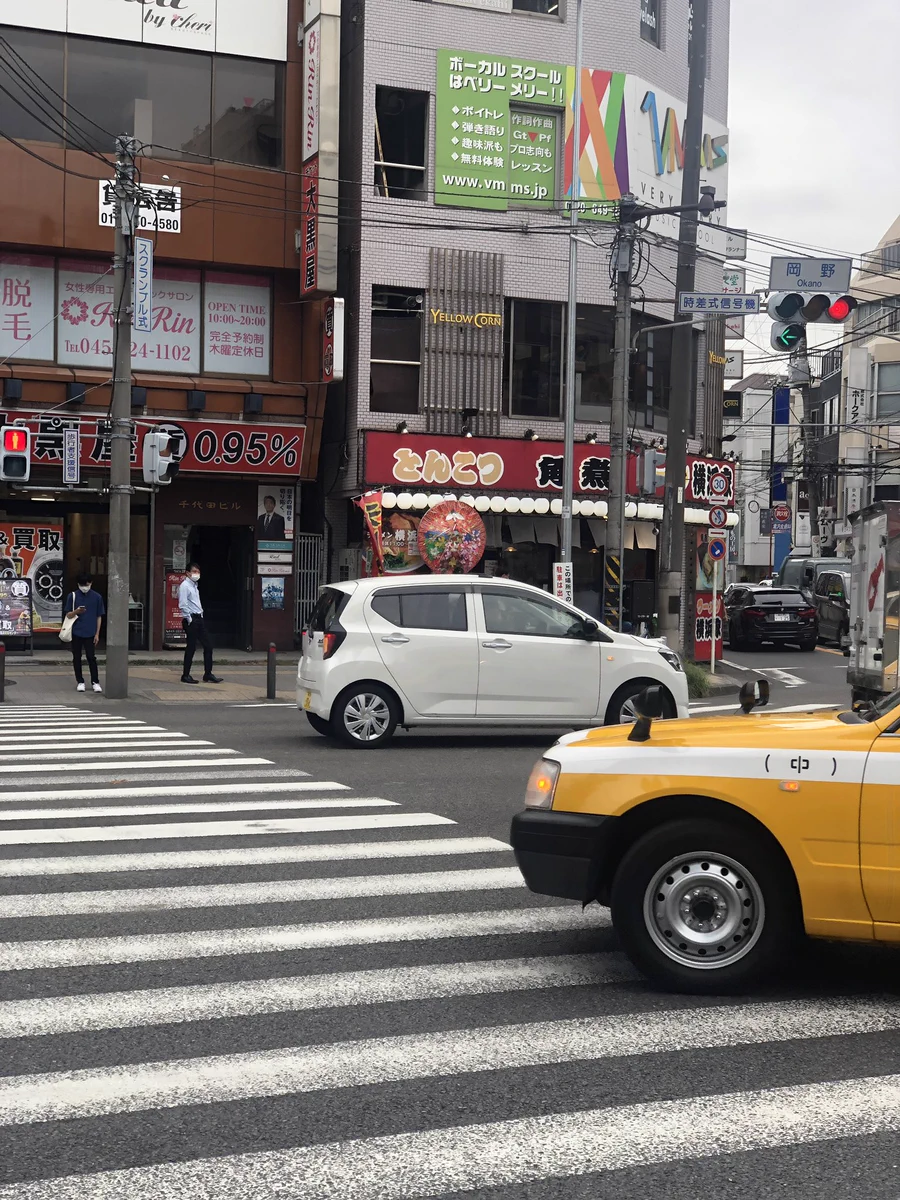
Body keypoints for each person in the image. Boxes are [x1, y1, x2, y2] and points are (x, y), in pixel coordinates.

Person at [177, 563, 223, 685]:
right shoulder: (185, 586)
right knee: (191, 648)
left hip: (199, 619)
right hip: (191, 620)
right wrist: (189, 618)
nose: (196, 574)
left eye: (198, 571)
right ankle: (185, 675)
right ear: (187, 573)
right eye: (194, 571)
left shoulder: (194, 586)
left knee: (208, 646)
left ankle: (208, 673)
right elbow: (182, 604)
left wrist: (200, 616)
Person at [64, 572, 105, 693]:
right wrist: (77, 611)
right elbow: (68, 615)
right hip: (76, 631)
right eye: (82, 585)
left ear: (91, 583)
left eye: (86, 584)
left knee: (91, 657)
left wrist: (97, 633)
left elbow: (99, 616)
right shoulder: (72, 596)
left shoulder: (97, 597)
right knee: (76, 657)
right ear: (78, 584)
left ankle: (95, 682)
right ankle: (80, 681)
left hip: (90, 632)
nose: (84, 587)